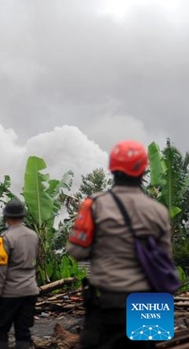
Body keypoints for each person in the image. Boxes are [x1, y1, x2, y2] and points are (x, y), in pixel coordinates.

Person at [66, 139, 172, 349]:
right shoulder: (158, 212)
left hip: (107, 301)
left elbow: (77, 251)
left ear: (113, 170)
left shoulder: (94, 205)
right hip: (148, 303)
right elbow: (165, 257)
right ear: (143, 172)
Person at [0, 198, 40, 349]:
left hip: (10, 293)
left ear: (7, 217)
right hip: (30, 291)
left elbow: (1, 270)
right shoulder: (34, 236)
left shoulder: (5, 239)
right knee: (23, 331)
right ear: (23, 216)